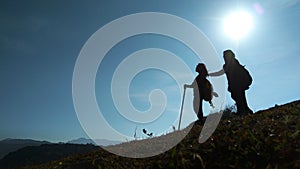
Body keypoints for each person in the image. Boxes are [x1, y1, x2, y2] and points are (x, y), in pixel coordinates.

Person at [209, 49, 253, 115]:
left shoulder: (234, 64)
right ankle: (245, 110)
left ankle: (243, 112)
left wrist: (211, 74)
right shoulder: (227, 65)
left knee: (239, 98)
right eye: (224, 56)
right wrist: (211, 74)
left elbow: (221, 72)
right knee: (236, 97)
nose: (224, 57)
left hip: (238, 84)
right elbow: (220, 72)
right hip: (233, 85)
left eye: (225, 56)